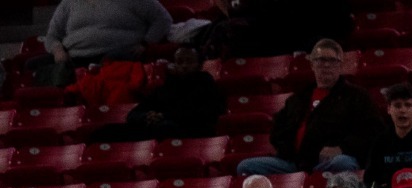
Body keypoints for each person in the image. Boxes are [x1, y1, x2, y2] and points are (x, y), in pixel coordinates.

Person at [238, 39, 377, 176]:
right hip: (293, 163)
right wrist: (289, 150)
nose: (326, 65)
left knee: (343, 163)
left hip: (329, 162)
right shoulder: (298, 99)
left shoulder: (357, 97)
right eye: (321, 60)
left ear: (340, 65)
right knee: (246, 167)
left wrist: (341, 148)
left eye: (332, 61)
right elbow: (277, 132)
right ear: (312, 64)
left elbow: (371, 131)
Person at [95, 45, 223, 142]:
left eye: (189, 61)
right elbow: (133, 114)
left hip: (189, 132)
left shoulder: (208, 86)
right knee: (105, 131)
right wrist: (146, 116)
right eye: (179, 62)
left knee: (166, 128)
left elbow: (202, 115)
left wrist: (164, 116)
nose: (184, 66)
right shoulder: (165, 87)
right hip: (157, 128)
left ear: (199, 65)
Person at [34, 0, 170, 87]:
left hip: (117, 56)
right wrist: (58, 50)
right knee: (32, 65)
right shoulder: (68, 3)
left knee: (116, 60)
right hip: (74, 57)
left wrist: (146, 43)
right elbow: (52, 36)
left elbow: (163, 19)